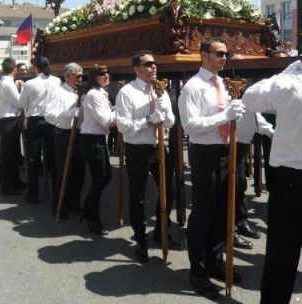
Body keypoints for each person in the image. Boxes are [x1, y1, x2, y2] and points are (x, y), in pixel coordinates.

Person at [178, 38, 244, 300]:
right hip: (204, 152)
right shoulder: (193, 87)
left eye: (226, 54)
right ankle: (198, 269)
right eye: (218, 53)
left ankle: (215, 260)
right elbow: (191, 126)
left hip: (225, 150)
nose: (223, 57)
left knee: (221, 211)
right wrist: (225, 115)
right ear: (203, 55)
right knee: (204, 212)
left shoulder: (222, 84)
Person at [242, 60, 302, 304]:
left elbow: (249, 98)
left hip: (292, 176)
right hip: (291, 173)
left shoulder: (288, 83)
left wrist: (286, 71)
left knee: (282, 252)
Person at [116, 50, 178, 265]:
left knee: (169, 189)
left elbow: (170, 122)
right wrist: (150, 120)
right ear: (136, 69)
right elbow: (124, 127)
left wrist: (163, 110)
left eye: (154, 63)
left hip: (159, 147)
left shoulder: (160, 88)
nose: (153, 67)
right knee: (138, 195)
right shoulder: (127, 92)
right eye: (148, 64)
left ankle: (162, 231)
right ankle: (140, 238)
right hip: (138, 149)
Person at [44, 62, 86, 217]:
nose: (80, 79)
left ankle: (74, 203)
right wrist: (68, 114)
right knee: (63, 171)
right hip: (64, 133)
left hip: (80, 133)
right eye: (78, 76)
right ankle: (58, 205)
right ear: (68, 76)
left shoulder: (81, 91)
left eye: (82, 76)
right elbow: (49, 115)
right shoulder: (58, 92)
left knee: (79, 171)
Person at [79, 64, 115, 235]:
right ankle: (92, 219)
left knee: (106, 176)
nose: (106, 75)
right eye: (101, 74)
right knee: (99, 180)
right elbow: (106, 120)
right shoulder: (94, 95)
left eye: (107, 73)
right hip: (92, 140)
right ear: (94, 77)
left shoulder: (100, 93)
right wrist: (123, 112)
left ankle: (87, 209)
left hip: (97, 139)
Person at [19, 55, 60, 203]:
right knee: (52, 157)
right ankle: (57, 193)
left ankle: (33, 193)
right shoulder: (57, 81)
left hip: (35, 122)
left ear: (36, 67)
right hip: (51, 120)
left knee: (33, 158)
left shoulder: (30, 83)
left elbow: (21, 102)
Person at [234, 107, 274, 249]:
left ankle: (240, 221)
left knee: (239, 183)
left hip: (240, 141)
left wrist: (270, 132)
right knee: (228, 187)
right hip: (223, 142)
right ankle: (227, 231)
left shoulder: (244, 91)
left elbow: (252, 113)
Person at [0, 57, 25, 196]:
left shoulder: (5, 82)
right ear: (15, 69)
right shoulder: (7, 83)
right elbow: (19, 102)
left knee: (13, 154)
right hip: (7, 122)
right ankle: (7, 186)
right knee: (7, 155)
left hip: (9, 121)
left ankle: (15, 180)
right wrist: (22, 89)